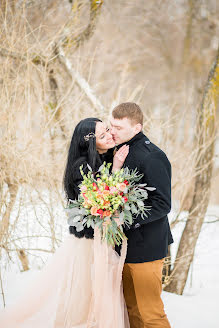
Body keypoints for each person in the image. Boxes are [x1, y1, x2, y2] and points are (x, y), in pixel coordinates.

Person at [0, 118, 130, 328]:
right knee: (84, 296)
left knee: (100, 294)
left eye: (107, 129)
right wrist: (116, 169)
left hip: (101, 239)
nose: (109, 135)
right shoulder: (81, 166)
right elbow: (97, 200)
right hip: (87, 243)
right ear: (89, 142)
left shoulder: (102, 157)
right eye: (102, 135)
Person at [110, 102, 173, 328]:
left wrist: (125, 220)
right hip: (123, 247)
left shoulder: (152, 156)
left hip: (147, 246)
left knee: (151, 314)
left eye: (119, 127)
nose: (113, 131)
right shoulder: (116, 151)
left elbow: (163, 204)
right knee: (132, 311)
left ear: (137, 128)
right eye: (111, 126)